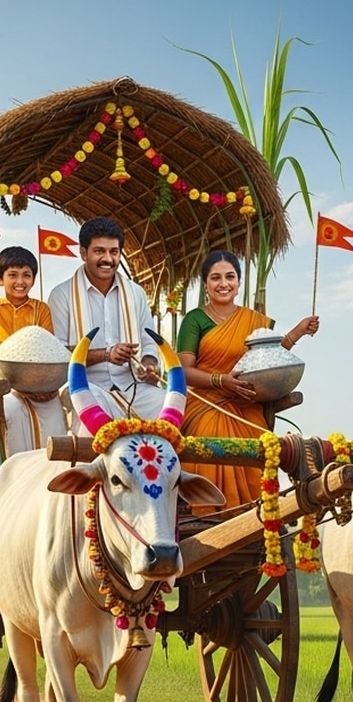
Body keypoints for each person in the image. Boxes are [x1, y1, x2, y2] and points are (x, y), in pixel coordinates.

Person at [175, 249, 319, 509]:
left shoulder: (253, 320)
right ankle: (208, 515)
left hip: (247, 406)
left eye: (230, 277)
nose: (223, 284)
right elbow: (184, 371)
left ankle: (257, 520)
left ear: (238, 282)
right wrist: (222, 381)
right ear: (206, 284)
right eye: (215, 278)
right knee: (210, 433)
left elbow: (268, 361)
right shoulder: (195, 320)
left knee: (262, 443)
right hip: (206, 402)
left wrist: (297, 332)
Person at [46, 216, 164, 420]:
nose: (108, 259)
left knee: (166, 408)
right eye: (99, 251)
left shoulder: (135, 293)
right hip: (85, 386)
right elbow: (58, 356)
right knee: (96, 418)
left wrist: (149, 365)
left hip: (132, 385)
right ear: (83, 253)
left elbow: (150, 342)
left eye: (114, 252)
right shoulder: (62, 295)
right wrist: (106, 355)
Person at [0, 246, 68, 456]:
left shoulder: (40, 308)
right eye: (12, 275)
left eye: (27, 275)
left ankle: (55, 471)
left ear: (34, 279)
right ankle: (17, 468)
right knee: (12, 413)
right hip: (6, 381)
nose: (20, 281)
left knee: (56, 415)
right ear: (0, 280)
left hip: (38, 382)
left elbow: (47, 345)